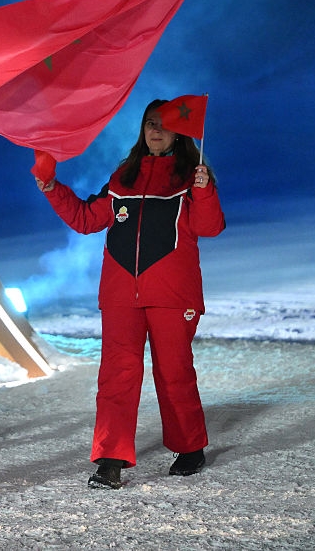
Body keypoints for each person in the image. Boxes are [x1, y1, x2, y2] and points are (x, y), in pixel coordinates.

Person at [34, 99, 225, 490]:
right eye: (150, 123)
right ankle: (110, 458)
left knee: (174, 374)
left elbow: (210, 227)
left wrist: (204, 190)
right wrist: (53, 188)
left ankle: (189, 447)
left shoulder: (192, 177)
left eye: (164, 124)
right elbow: (88, 219)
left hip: (172, 294)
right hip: (121, 293)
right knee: (116, 377)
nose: (155, 130)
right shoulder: (124, 175)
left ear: (179, 132)